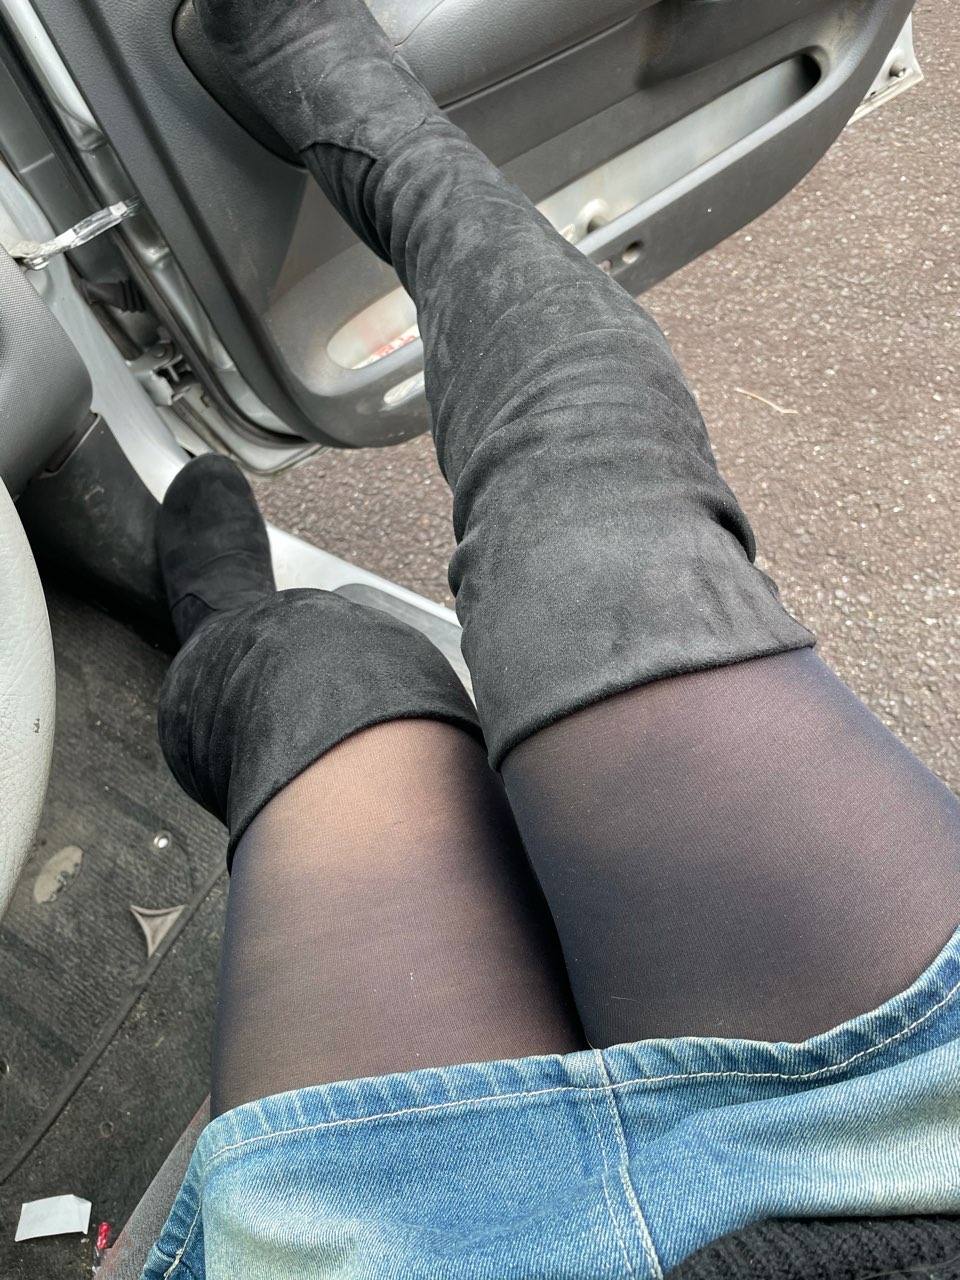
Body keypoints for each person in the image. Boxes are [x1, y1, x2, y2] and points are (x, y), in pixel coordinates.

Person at [142, 1, 960, 1275]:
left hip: (450, 1254)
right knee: (593, 529)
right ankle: (386, 145)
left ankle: (224, 627)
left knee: (330, 672)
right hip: (918, 1145)